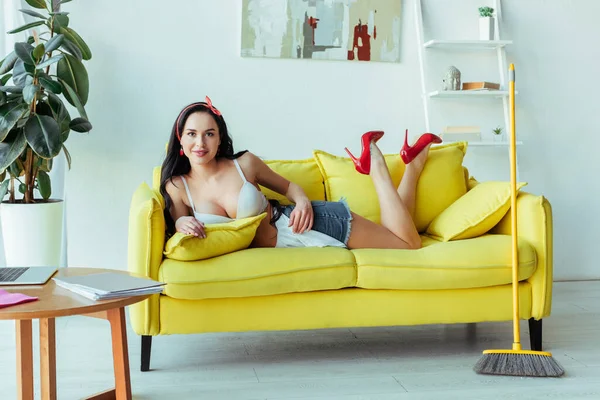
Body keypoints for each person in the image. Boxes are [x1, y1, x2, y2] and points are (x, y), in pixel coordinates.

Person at [159, 97, 442, 250]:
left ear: (220, 138)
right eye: (192, 134)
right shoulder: (177, 186)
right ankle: (413, 163)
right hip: (288, 245)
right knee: (401, 234)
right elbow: (178, 226)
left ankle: (376, 166)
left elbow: (291, 188)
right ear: (180, 139)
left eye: (209, 134)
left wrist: (304, 202)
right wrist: (183, 221)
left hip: (310, 224)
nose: (201, 143)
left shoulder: (244, 163)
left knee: (409, 244)